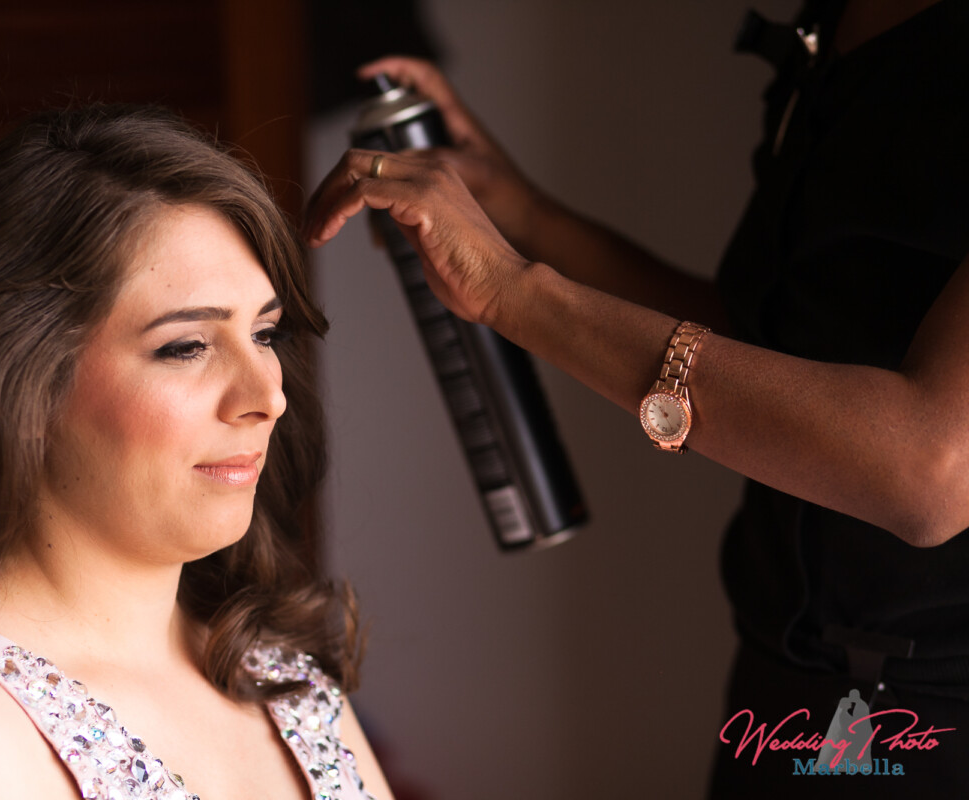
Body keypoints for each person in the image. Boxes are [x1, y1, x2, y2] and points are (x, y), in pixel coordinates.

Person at [305, 0, 968, 796]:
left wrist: (515, 293)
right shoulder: (839, 19)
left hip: (931, 718)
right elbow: (775, 357)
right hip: (782, 682)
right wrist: (525, 217)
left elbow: (930, 470)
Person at [0, 104, 394, 800]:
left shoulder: (284, 679)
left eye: (265, 334)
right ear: (15, 383)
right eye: (186, 346)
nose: (267, 397)